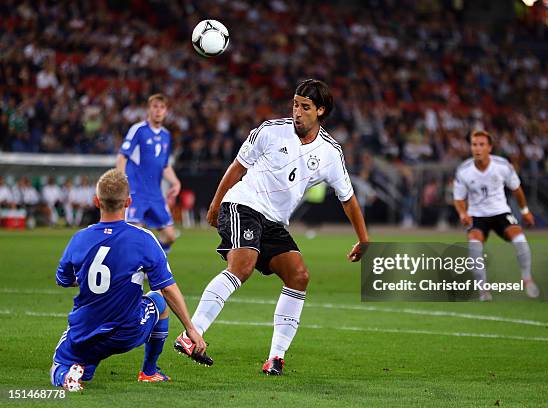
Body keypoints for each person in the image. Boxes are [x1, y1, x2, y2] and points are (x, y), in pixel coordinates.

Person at [174, 79, 369, 375]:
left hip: (275, 222)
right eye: (295, 104)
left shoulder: (330, 152)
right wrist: (215, 204)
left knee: (299, 275)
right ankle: (191, 335)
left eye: (305, 107)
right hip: (243, 203)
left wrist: (363, 239)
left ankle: (275, 358)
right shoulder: (270, 131)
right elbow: (238, 167)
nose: (297, 112)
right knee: (243, 265)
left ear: (321, 110)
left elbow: (348, 198)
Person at [50, 169, 205, 392]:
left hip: (85, 330)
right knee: (158, 300)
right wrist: (190, 328)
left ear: (96, 201)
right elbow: (167, 288)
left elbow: (63, 279)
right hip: (127, 330)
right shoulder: (143, 239)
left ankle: (68, 375)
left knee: (59, 365)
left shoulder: (80, 238)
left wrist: (82, 279)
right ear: (128, 202)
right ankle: (149, 371)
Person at [453, 130, 539, 301]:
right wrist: (463, 213)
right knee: (474, 245)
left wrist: (525, 211)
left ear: (489, 147)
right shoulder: (464, 170)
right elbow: (458, 198)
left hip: (500, 212)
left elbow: (517, 190)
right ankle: (483, 290)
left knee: (520, 239)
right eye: (474, 144)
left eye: (481, 145)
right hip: (477, 215)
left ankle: (527, 279)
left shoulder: (502, 166)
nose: (477, 149)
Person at [116, 94, 181, 254]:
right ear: (148, 110)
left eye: (162, 107)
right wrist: (121, 182)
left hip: (156, 194)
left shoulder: (166, 135)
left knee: (170, 235)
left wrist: (176, 182)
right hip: (136, 191)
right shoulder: (138, 130)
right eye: (155, 106)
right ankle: (129, 271)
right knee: (133, 235)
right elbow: (122, 156)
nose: (158, 111)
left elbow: (164, 165)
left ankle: (150, 264)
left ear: (166, 111)